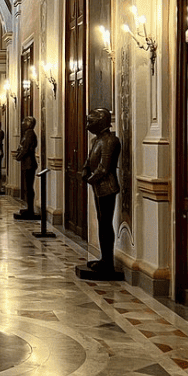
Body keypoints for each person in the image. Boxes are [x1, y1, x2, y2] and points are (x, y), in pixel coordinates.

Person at [80, 107, 121, 278]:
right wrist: (84, 170)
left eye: (92, 121)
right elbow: (90, 160)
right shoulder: (96, 141)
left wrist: (90, 179)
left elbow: (104, 167)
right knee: (101, 222)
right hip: (98, 186)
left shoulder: (110, 140)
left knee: (106, 223)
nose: (88, 125)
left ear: (102, 121)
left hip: (107, 186)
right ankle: (104, 259)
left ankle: (108, 262)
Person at [13, 115, 38, 219]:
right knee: (27, 187)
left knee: (29, 187)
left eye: (25, 121)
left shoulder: (30, 133)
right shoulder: (27, 133)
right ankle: (29, 208)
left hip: (29, 163)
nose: (23, 123)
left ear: (29, 123)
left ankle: (31, 210)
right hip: (27, 163)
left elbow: (26, 148)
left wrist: (18, 157)